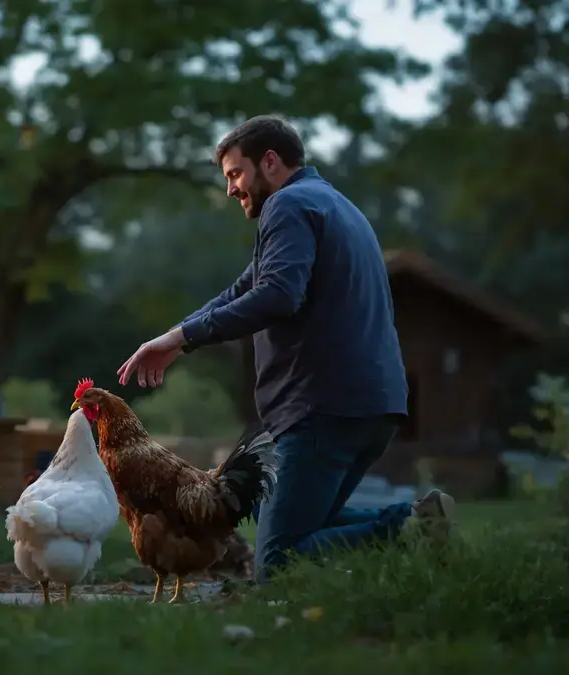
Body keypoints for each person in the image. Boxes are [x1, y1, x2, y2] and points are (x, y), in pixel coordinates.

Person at [115, 115, 455, 584]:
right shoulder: (337, 206)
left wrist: (184, 338)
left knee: (277, 560)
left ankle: (409, 526)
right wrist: (178, 335)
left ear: (270, 161)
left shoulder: (288, 206)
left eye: (235, 174)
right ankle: (422, 517)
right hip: (375, 405)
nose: (231, 189)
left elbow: (277, 295)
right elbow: (245, 288)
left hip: (321, 407)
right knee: (307, 526)